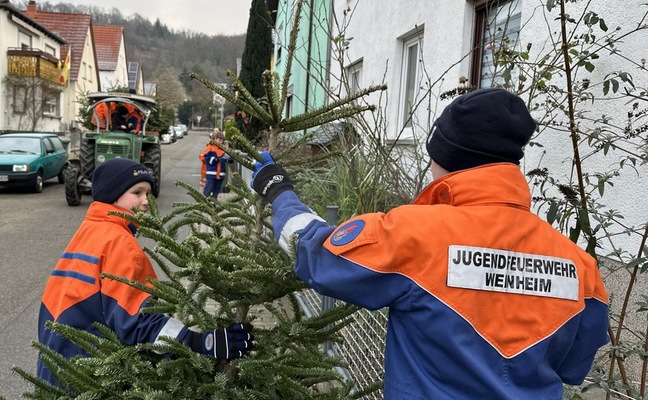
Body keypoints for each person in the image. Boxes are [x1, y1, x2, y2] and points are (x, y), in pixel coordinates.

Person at [250, 88, 610, 399]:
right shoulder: (581, 268)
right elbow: (572, 365)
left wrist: (279, 192)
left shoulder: (414, 235)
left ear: (448, 158)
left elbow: (317, 253)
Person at [37, 158, 253, 386]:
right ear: (113, 194)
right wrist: (201, 342)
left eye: (148, 193)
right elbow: (138, 321)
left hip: (54, 366)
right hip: (90, 374)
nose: (145, 202)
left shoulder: (90, 229)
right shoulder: (120, 243)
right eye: (137, 192)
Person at [200, 130, 233, 199]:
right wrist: (217, 159)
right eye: (218, 139)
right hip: (211, 173)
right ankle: (205, 203)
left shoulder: (224, 149)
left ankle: (213, 203)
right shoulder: (210, 148)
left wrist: (227, 159)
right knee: (208, 189)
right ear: (214, 139)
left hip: (221, 174)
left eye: (221, 140)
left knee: (216, 191)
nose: (219, 141)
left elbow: (230, 160)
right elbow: (207, 158)